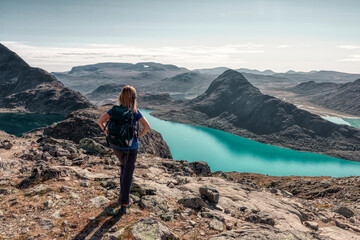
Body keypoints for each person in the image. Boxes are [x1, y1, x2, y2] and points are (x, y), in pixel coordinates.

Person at [97, 85, 150, 211]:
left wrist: (108, 133)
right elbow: (147, 127)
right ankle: (125, 202)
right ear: (133, 98)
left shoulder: (114, 110)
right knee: (128, 173)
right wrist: (139, 135)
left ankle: (122, 196)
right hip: (130, 147)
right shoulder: (135, 112)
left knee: (123, 168)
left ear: (121, 97)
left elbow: (100, 121)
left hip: (116, 146)